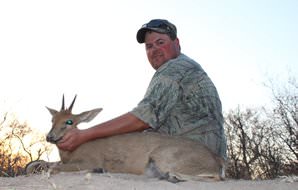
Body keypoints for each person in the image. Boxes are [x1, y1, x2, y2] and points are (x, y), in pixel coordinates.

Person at [58, 19, 227, 159]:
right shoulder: (185, 66)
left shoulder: (175, 68)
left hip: (192, 158)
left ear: (177, 43)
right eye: (149, 46)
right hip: (203, 155)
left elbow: (142, 118)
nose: (154, 50)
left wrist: (84, 135)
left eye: (160, 42)